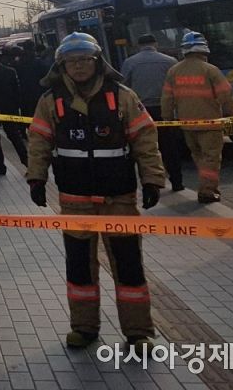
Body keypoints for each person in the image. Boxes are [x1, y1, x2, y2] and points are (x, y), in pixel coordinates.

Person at [27, 32, 165, 350]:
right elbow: (39, 141)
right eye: (71, 61)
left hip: (119, 197)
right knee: (79, 267)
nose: (78, 66)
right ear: (62, 65)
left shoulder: (122, 96)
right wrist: (36, 178)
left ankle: (139, 332)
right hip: (74, 199)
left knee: (128, 264)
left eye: (84, 60)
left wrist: (152, 179)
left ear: (97, 61)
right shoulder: (51, 101)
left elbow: (145, 139)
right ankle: (84, 327)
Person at [161, 31, 233, 204]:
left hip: (187, 124)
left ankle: (206, 184)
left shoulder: (174, 71)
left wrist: (167, 119)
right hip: (210, 124)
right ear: (203, 49)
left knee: (199, 156)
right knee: (211, 157)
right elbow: (226, 94)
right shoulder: (210, 69)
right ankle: (207, 191)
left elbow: (167, 98)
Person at [121, 34, 181, 191]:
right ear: (156, 44)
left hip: (141, 112)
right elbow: (178, 86)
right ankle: (177, 182)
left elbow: (123, 86)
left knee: (145, 149)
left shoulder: (130, 62)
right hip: (165, 109)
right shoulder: (170, 61)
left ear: (138, 45)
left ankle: (151, 184)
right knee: (170, 147)